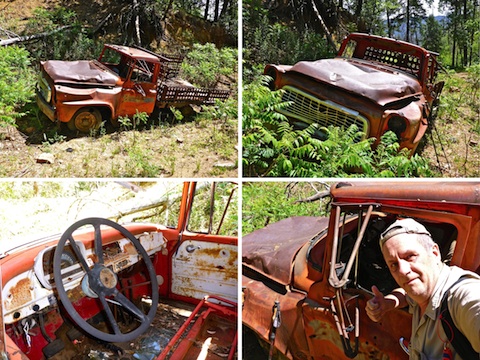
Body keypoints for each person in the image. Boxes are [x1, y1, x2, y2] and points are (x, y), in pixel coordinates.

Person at [365, 218, 480, 359]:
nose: (403, 271)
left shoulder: (463, 296)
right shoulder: (424, 291)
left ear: (435, 253)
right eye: (394, 264)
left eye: (410, 256)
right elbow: (406, 294)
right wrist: (388, 303)